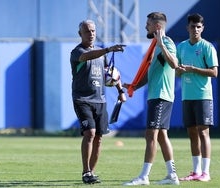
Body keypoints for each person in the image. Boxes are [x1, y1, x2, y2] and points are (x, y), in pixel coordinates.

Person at [123, 12, 180, 186]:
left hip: (161, 96)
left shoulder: (166, 43)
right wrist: (132, 86)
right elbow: (150, 74)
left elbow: (174, 64)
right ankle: (172, 175)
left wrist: (162, 44)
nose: (145, 27)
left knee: (150, 135)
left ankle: (144, 176)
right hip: (157, 95)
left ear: (157, 26)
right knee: (162, 135)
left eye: (148, 24)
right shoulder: (156, 46)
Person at [70, 19, 127, 184]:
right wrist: (108, 49)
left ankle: (92, 172)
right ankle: (86, 171)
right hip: (82, 99)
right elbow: (87, 56)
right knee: (90, 133)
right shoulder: (77, 52)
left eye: (93, 31)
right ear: (80, 34)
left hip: (100, 100)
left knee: (99, 137)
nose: (91, 34)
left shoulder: (101, 54)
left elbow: (113, 73)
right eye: (87, 31)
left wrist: (120, 91)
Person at [176, 13, 218, 182]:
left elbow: (214, 72)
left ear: (202, 28)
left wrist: (192, 69)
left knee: (203, 133)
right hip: (187, 96)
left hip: (203, 96)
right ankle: (196, 171)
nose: (195, 30)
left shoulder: (207, 47)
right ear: (188, 28)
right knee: (192, 133)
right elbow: (177, 70)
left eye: (198, 27)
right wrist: (179, 71)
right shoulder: (182, 47)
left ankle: (206, 173)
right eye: (192, 26)